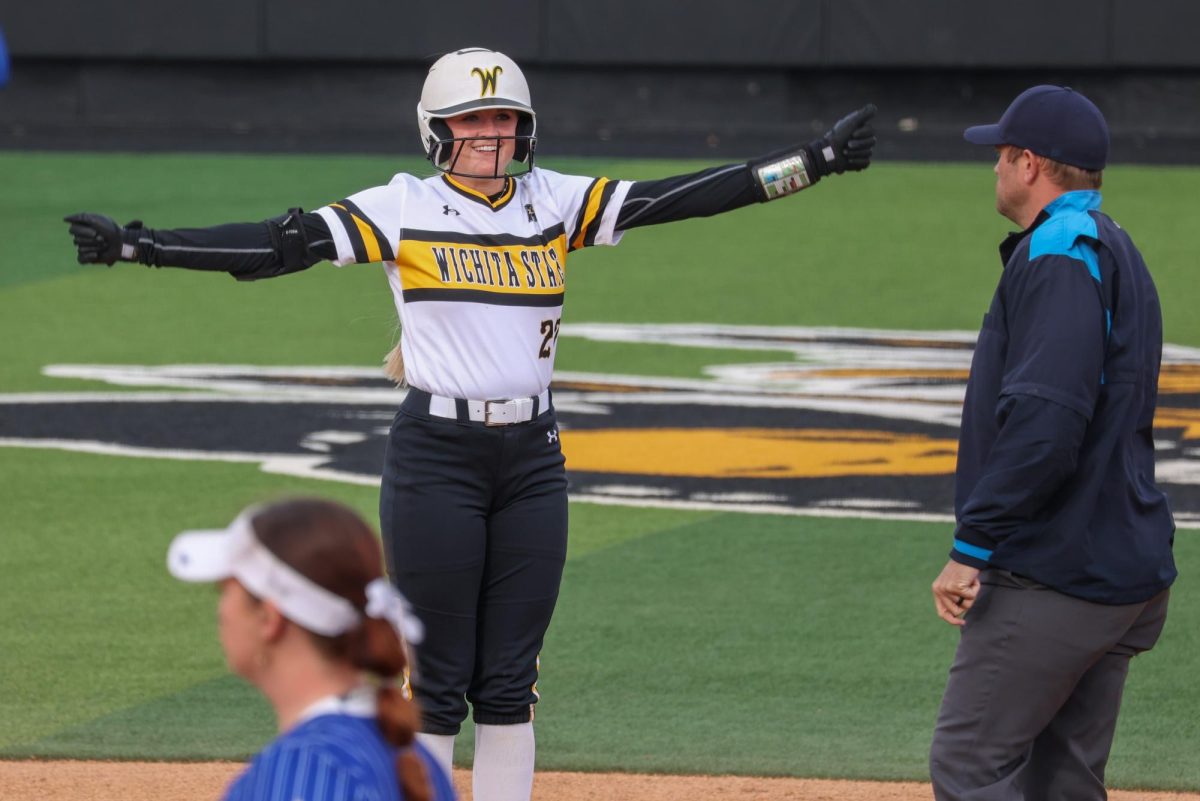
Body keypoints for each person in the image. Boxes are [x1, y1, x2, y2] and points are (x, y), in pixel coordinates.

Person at [66, 46, 877, 801]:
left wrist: (809, 163)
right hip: (437, 457)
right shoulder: (403, 207)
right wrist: (140, 247)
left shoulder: (554, 200)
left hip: (534, 458)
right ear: (436, 132)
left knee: (511, 678)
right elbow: (282, 246)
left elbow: (682, 197)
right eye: (473, 120)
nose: (491, 133)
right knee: (437, 674)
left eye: (503, 119)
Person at [929, 85, 1176, 800]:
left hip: (1057, 573)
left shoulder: (1061, 255)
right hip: (1114, 566)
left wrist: (972, 545)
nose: (995, 169)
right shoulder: (1112, 244)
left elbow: (1047, 424)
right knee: (1062, 781)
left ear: (1029, 163)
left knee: (970, 763)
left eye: (1001, 155)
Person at [167, 497, 457, 801]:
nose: (221, 610)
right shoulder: (410, 755)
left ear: (269, 618)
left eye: (226, 590)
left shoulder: (307, 769)